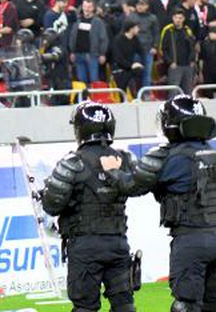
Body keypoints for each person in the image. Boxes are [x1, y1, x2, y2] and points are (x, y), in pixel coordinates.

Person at [108, 97, 216, 312]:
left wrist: (113, 170)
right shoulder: (213, 153)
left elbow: (132, 186)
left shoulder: (167, 157)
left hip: (191, 238)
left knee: (186, 305)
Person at [39, 102, 136, 312]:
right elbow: (137, 186)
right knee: (125, 306)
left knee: (85, 307)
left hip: (85, 246)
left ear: (80, 129)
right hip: (118, 243)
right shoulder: (126, 159)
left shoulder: (72, 162)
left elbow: (51, 205)